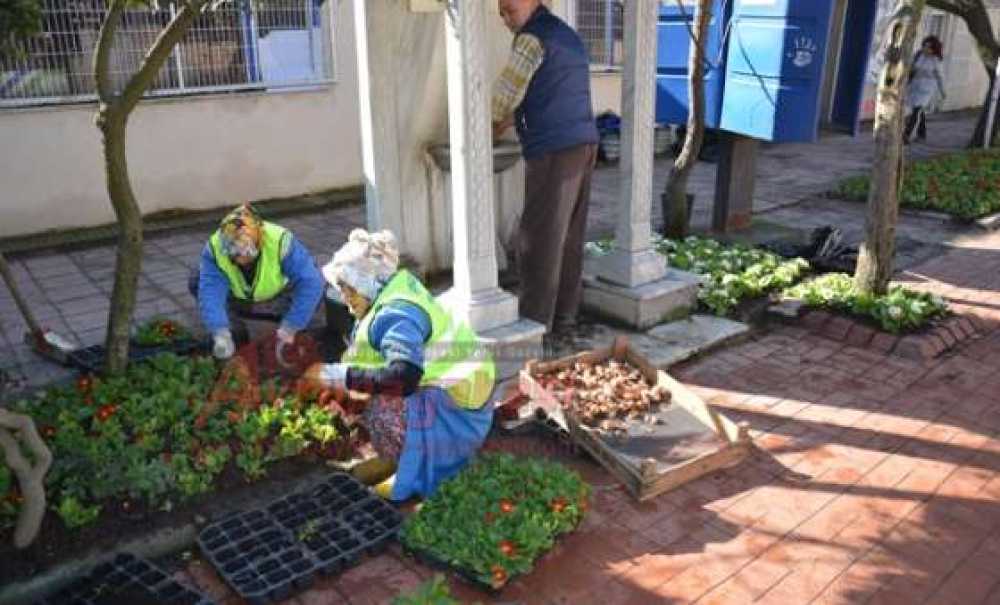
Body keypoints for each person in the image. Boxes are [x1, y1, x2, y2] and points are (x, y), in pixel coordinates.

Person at [311, 229, 496, 501]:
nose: (345, 297)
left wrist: (339, 376)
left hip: (462, 413)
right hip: (462, 391)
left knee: (379, 410)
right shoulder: (391, 291)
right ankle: (400, 458)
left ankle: (417, 472)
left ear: (368, 282)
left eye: (349, 289)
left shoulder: (397, 316)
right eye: (342, 289)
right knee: (369, 395)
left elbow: (404, 377)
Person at [492, 0, 599, 338]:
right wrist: (511, 121)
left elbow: (501, 99)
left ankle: (534, 325)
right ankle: (564, 320)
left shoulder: (531, 39)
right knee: (569, 238)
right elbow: (548, 92)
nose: (506, 19)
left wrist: (484, 126)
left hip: (554, 150)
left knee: (539, 239)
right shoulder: (566, 35)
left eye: (509, 10)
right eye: (501, 13)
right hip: (584, 143)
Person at [189, 204, 326, 364]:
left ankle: (292, 326)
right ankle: (235, 331)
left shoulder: (281, 242)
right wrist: (220, 332)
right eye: (235, 255)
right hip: (241, 297)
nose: (241, 259)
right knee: (197, 280)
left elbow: (310, 283)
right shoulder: (215, 248)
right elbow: (211, 291)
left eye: (246, 253)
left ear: (258, 240)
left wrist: (290, 327)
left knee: (315, 288)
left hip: (280, 295)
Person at [905, 35, 946, 145]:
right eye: (924, 46)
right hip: (915, 86)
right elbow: (911, 69)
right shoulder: (919, 56)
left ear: (934, 49)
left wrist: (943, 92)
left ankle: (907, 135)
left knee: (917, 111)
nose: (925, 49)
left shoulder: (936, 61)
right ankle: (922, 134)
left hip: (926, 89)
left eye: (929, 47)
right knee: (919, 111)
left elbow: (940, 77)